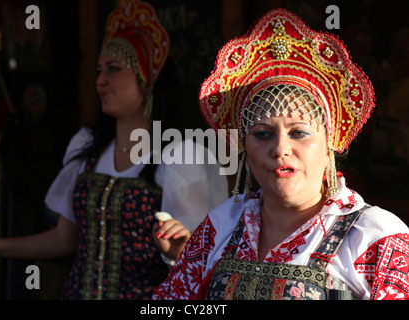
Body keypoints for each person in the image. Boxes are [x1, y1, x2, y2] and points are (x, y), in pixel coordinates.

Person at [0, 0, 228, 300]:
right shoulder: (88, 147)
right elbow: (63, 239)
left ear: (148, 80)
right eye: (100, 69)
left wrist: (178, 253)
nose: (101, 79)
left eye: (114, 69)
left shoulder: (179, 156)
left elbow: (198, 260)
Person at [152, 8, 409, 300]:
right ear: (245, 149)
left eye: (298, 133)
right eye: (262, 134)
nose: (280, 149)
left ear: (329, 145)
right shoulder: (221, 225)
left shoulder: (373, 236)